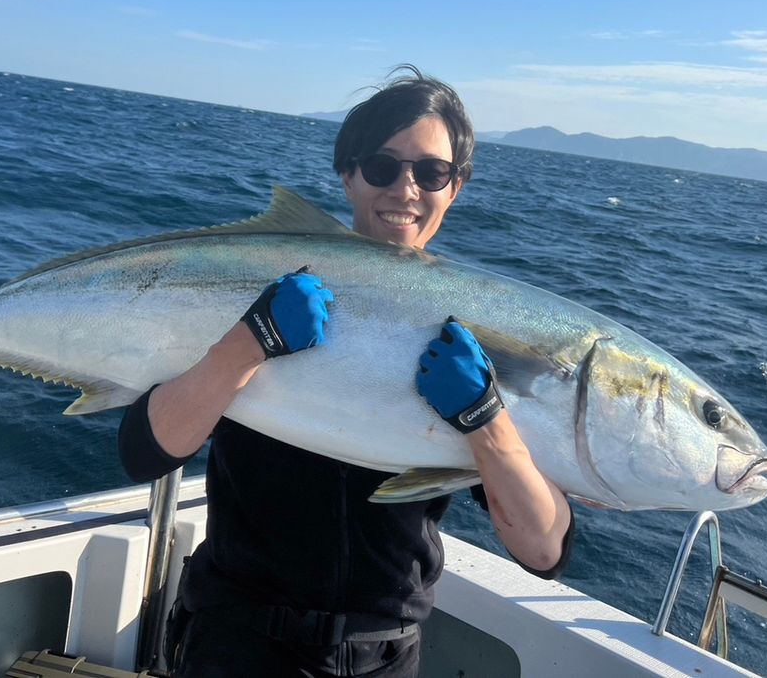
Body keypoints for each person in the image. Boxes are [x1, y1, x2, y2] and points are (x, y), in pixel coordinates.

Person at [118, 66, 574, 677]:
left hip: (383, 651)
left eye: (431, 171)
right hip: (237, 637)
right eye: (382, 167)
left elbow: (543, 550)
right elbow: (146, 454)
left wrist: (483, 417)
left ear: (455, 186)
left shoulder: (465, 332)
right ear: (348, 174)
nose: (405, 189)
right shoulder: (266, 288)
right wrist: (249, 343)